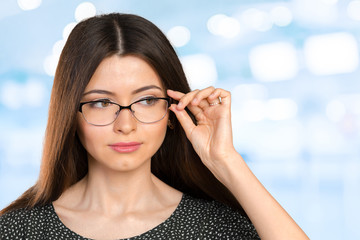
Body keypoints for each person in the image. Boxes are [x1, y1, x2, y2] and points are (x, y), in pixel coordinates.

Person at [0, 13, 309, 239]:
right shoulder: (18, 230)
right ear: (71, 115)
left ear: (173, 110)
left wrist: (225, 159)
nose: (125, 124)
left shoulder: (215, 227)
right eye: (101, 103)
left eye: (146, 101)